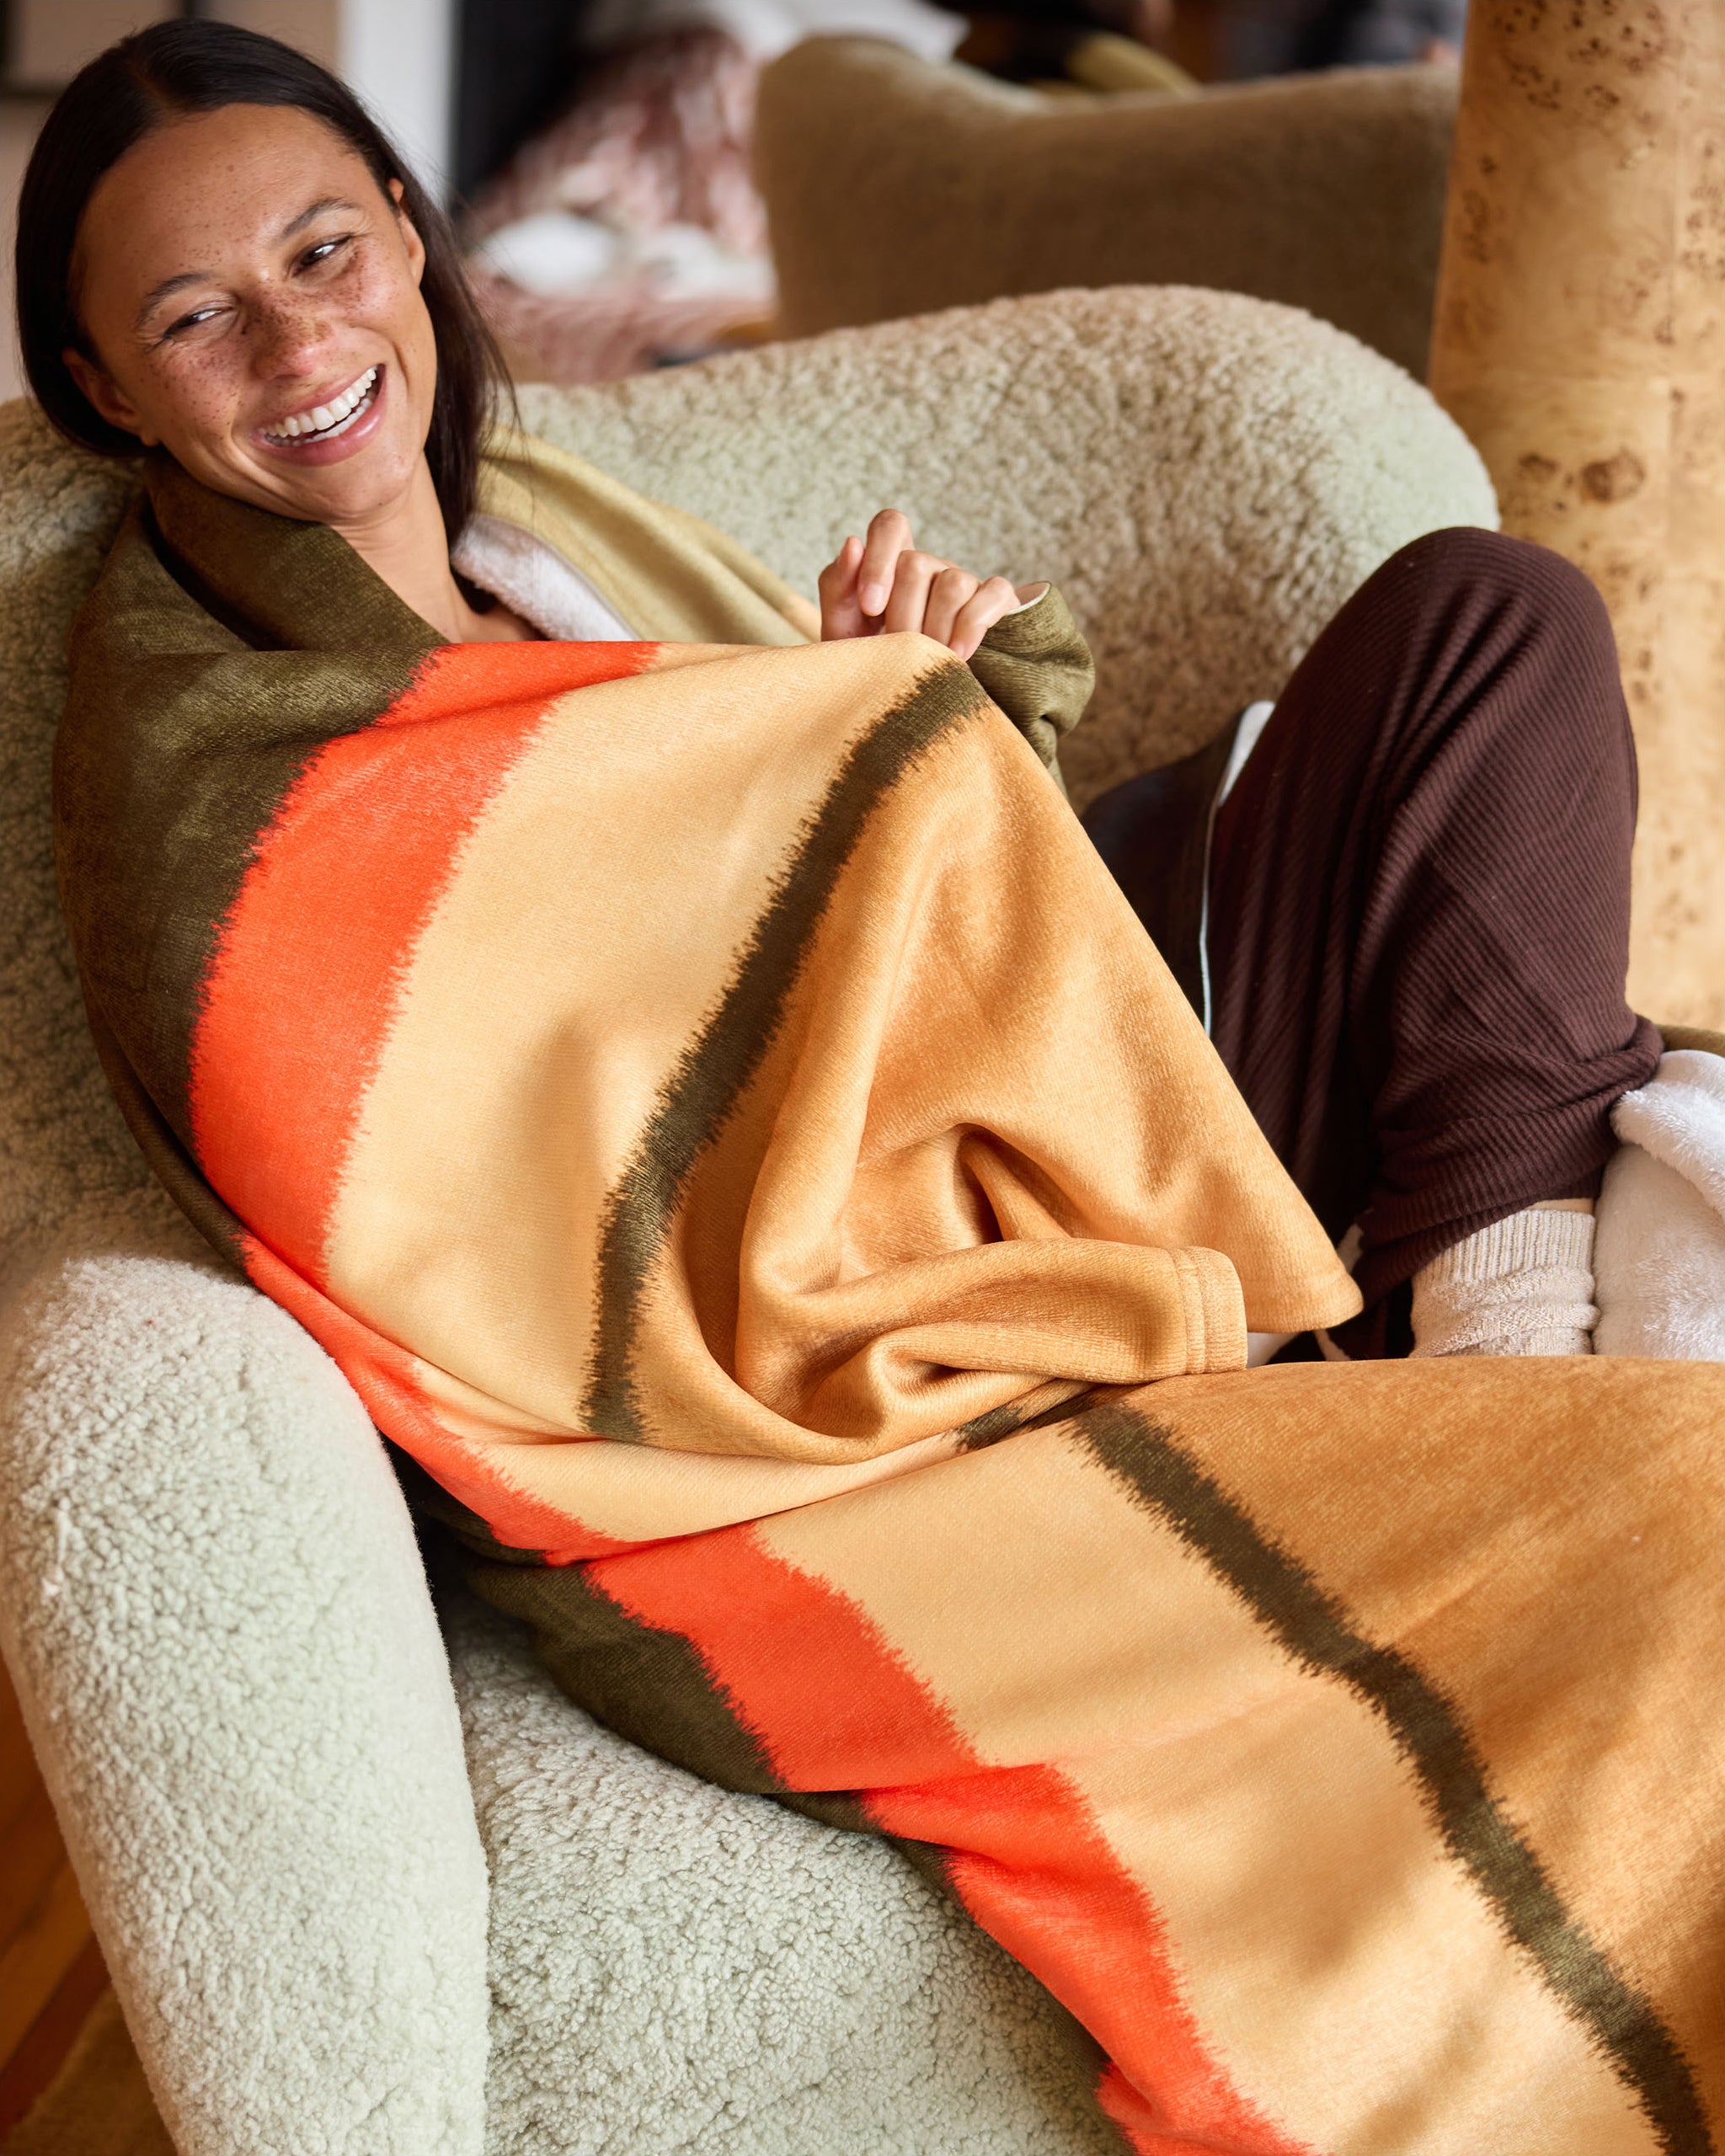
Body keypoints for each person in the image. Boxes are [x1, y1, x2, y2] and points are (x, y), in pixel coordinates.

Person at [19, 26, 1722, 2153]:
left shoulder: (541, 524)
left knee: (1485, 619)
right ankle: (1499, 1368)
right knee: (1680, 1514)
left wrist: (902, 721)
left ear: (408, 233)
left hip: (988, 1083)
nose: (297, 342)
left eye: (321, 250)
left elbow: (794, 880)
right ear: (103, 386)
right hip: (842, 1296)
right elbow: (486, 1142)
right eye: (196, 317)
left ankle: (1489, 1358)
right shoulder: (205, 767)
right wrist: (878, 766)